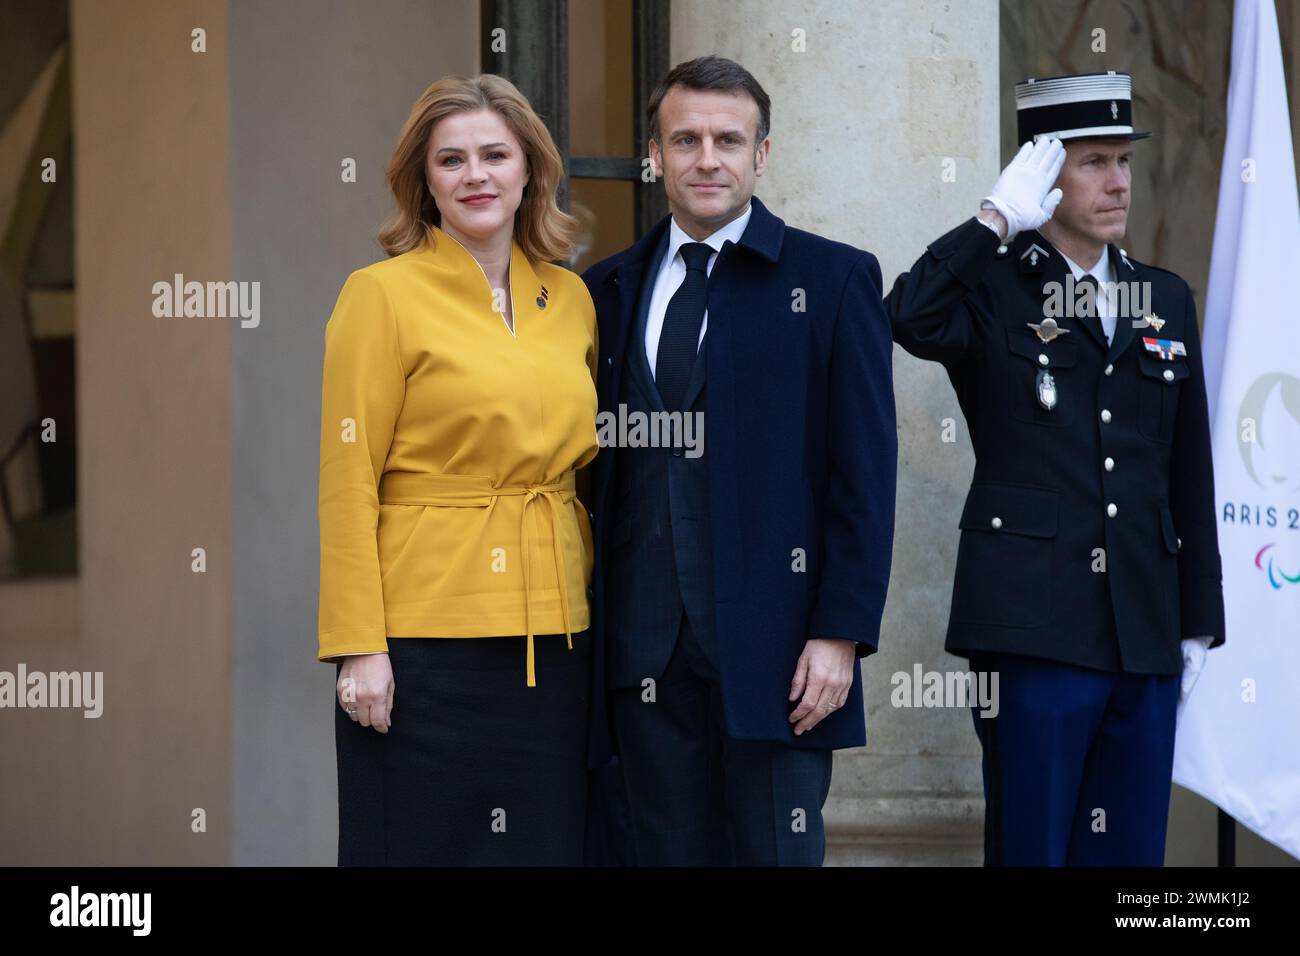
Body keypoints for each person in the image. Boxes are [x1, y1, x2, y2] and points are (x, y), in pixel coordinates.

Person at [886, 71, 1225, 865]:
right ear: (1044, 170)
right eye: (1093, 162)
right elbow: (907, 315)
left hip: (1143, 626)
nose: (1117, 182)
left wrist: (1199, 614)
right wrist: (995, 219)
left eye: (1124, 161)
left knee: (1130, 855)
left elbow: (1188, 465)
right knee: (1033, 848)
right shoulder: (993, 288)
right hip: (1033, 631)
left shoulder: (1162, 298)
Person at [581, 55, 897, 866]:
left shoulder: (831, 279)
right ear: (654, 155)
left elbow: (864, 473)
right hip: (640, 655)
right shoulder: (605, 289)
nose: (706, 159)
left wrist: (840, 633)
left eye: (729, 139)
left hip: (781, 651)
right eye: (684, 139)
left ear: (762, 155)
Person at [318, 74, 599, 865]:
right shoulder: (379, 297)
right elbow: (346, 482)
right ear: (424, 181)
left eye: (494, 155)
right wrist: (357, 646)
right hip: (420, 644)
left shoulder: (572, 299)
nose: (476, 175)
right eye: (452, 160)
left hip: (555, 637)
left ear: (529, 171)